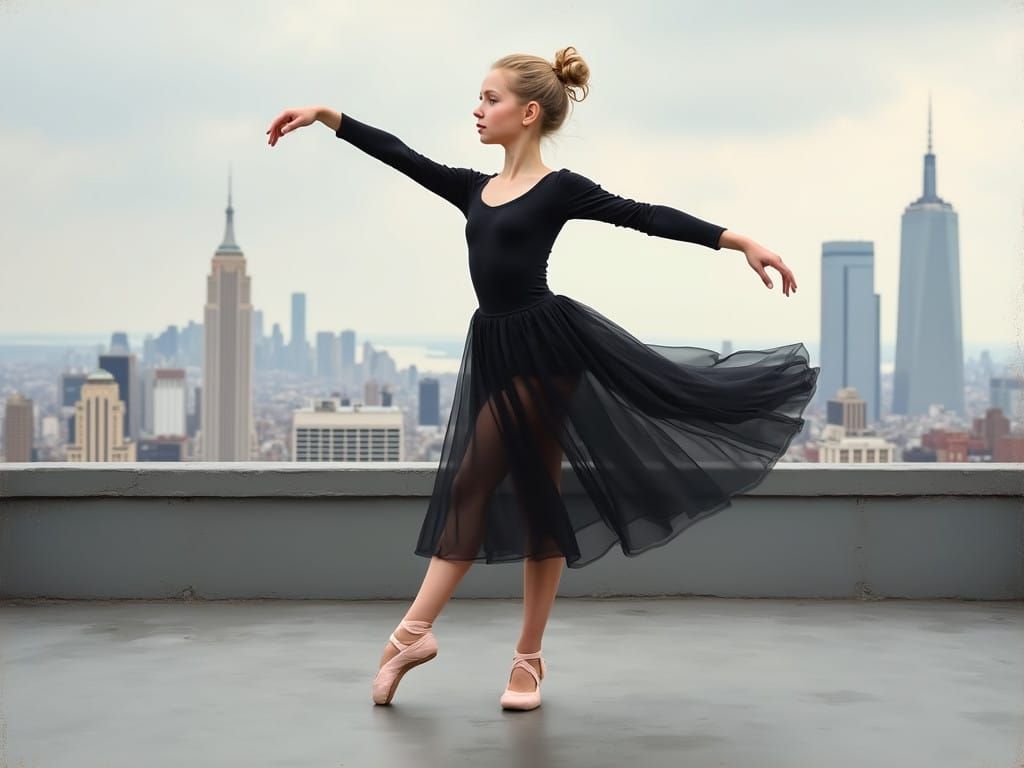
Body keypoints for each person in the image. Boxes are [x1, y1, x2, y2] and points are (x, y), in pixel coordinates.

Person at [266, 45, 820, 711]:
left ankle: (412, 633)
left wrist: (740, 241)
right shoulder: (472, 187)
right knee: (535, 502)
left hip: (546, 347)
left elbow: (644, 215)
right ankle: (526, 660)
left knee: (473, 480)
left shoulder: (558, 189)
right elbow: (401, 155)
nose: (477, 109)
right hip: (495, 343)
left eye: (490, 99)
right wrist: (329, 115)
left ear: (528, 113)